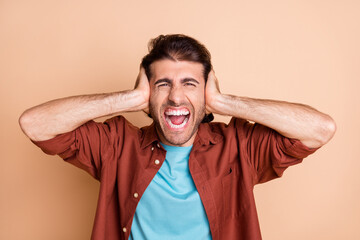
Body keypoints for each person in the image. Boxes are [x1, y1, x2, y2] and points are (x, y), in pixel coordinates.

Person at [19, 34, 336, 240]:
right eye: (162, 84)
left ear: (207, 91)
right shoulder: (116, 144)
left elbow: (320, 129)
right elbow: (34, 123)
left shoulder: (240, 147)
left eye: (189, 84)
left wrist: (224, 102)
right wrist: (128, 98)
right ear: (147, 93)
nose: (175, 97)